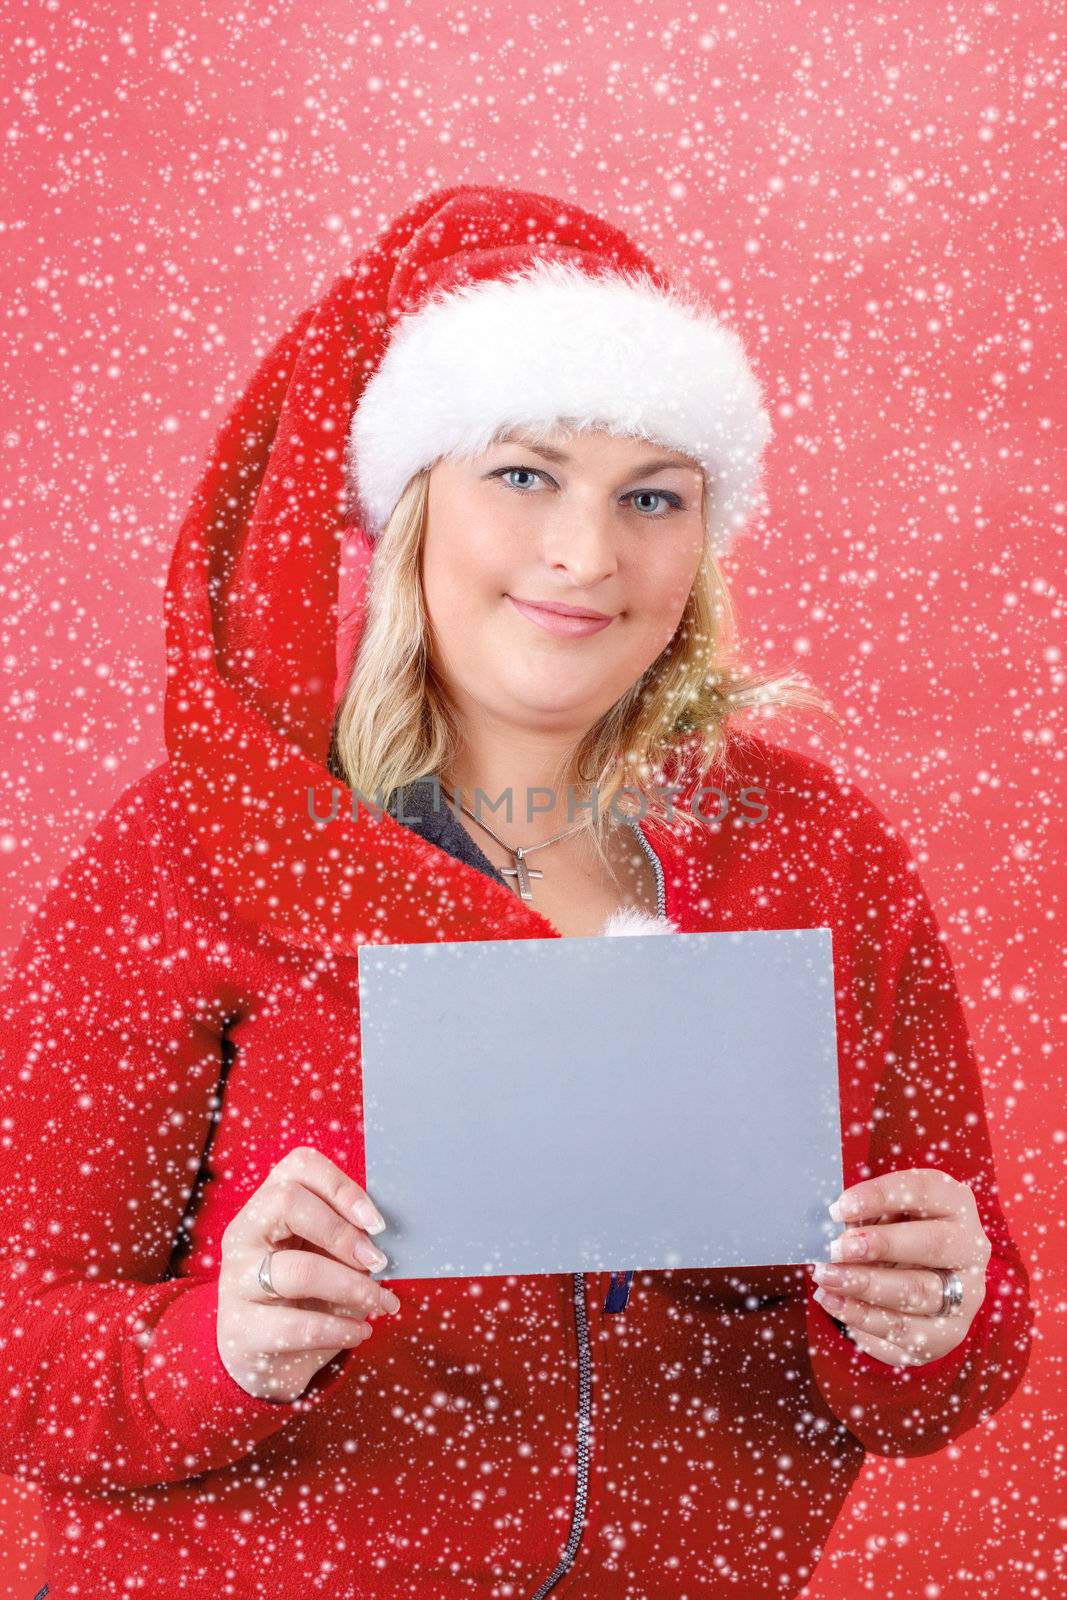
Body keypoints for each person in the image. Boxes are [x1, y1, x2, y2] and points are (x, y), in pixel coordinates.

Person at [0, 184, 1032, 1600]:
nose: (587, 556)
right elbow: (20, 1334)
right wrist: (217, 1350)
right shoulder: (200, 848)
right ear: (414, 496)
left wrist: (934, 1320)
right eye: (526, 475)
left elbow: (947, 1364)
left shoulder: (820, 857)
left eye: (652, 496)